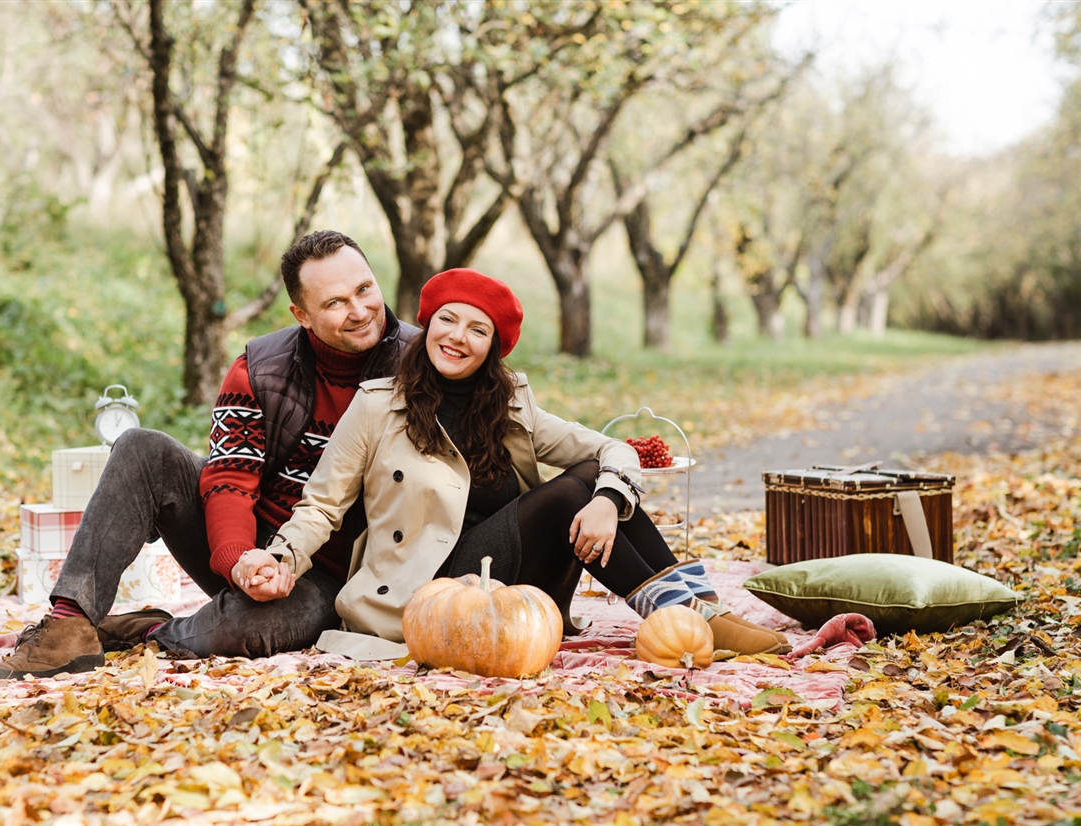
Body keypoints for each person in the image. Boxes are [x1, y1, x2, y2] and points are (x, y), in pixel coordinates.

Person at [236, 268, 789, 659]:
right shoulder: (380, 404)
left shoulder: (508, 405)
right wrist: (282, 556)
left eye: (478, 330)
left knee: (593, 479)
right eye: (448, 321)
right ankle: (689, 618)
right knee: (573, 490)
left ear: (494, 346)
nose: (458, 337)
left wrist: (609, 500)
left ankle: (697, 612)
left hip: (517, 588)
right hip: (434, 593)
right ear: (428, 326)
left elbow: (612, 449)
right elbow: (323, 503)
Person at [0, 230, 416, 678]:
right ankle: (67, 628)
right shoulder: (261, 368)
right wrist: (239, 561)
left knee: (242, 632)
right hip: (247, 539)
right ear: (301, 314)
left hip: (333, 572)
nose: (360, 311)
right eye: (335, 303)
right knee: (142, 448)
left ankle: (150, 632)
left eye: (364, 289)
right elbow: (230, 478)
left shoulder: (420, 369)